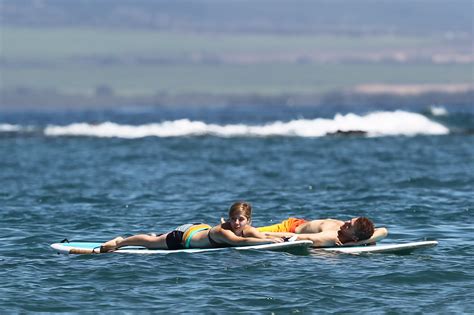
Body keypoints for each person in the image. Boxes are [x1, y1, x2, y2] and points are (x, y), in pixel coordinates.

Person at [100, 201, 284, 252]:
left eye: (241, 220)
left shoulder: (246, 228)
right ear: (229, 218)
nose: (236, 223)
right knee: (151, 242)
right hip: (183, 237)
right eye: (233, 219)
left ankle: (159, 234)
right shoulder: (225, 232)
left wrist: (273, 238)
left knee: (156, 238)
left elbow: (254, 234)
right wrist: (272, 240)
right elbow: (241, 242)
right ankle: (119, 242)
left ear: (248, 221)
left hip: (199, 229)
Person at [257, 217, 388, 247]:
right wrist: (262, 236)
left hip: (298, 229)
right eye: (349, 220)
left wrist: (354, 244)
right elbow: (384, 231)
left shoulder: (331, 236)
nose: (345, 223)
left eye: (349, 226)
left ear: (354, 237)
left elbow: (296, 238)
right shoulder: (333, 235)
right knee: (248, 231)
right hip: (288, 227)